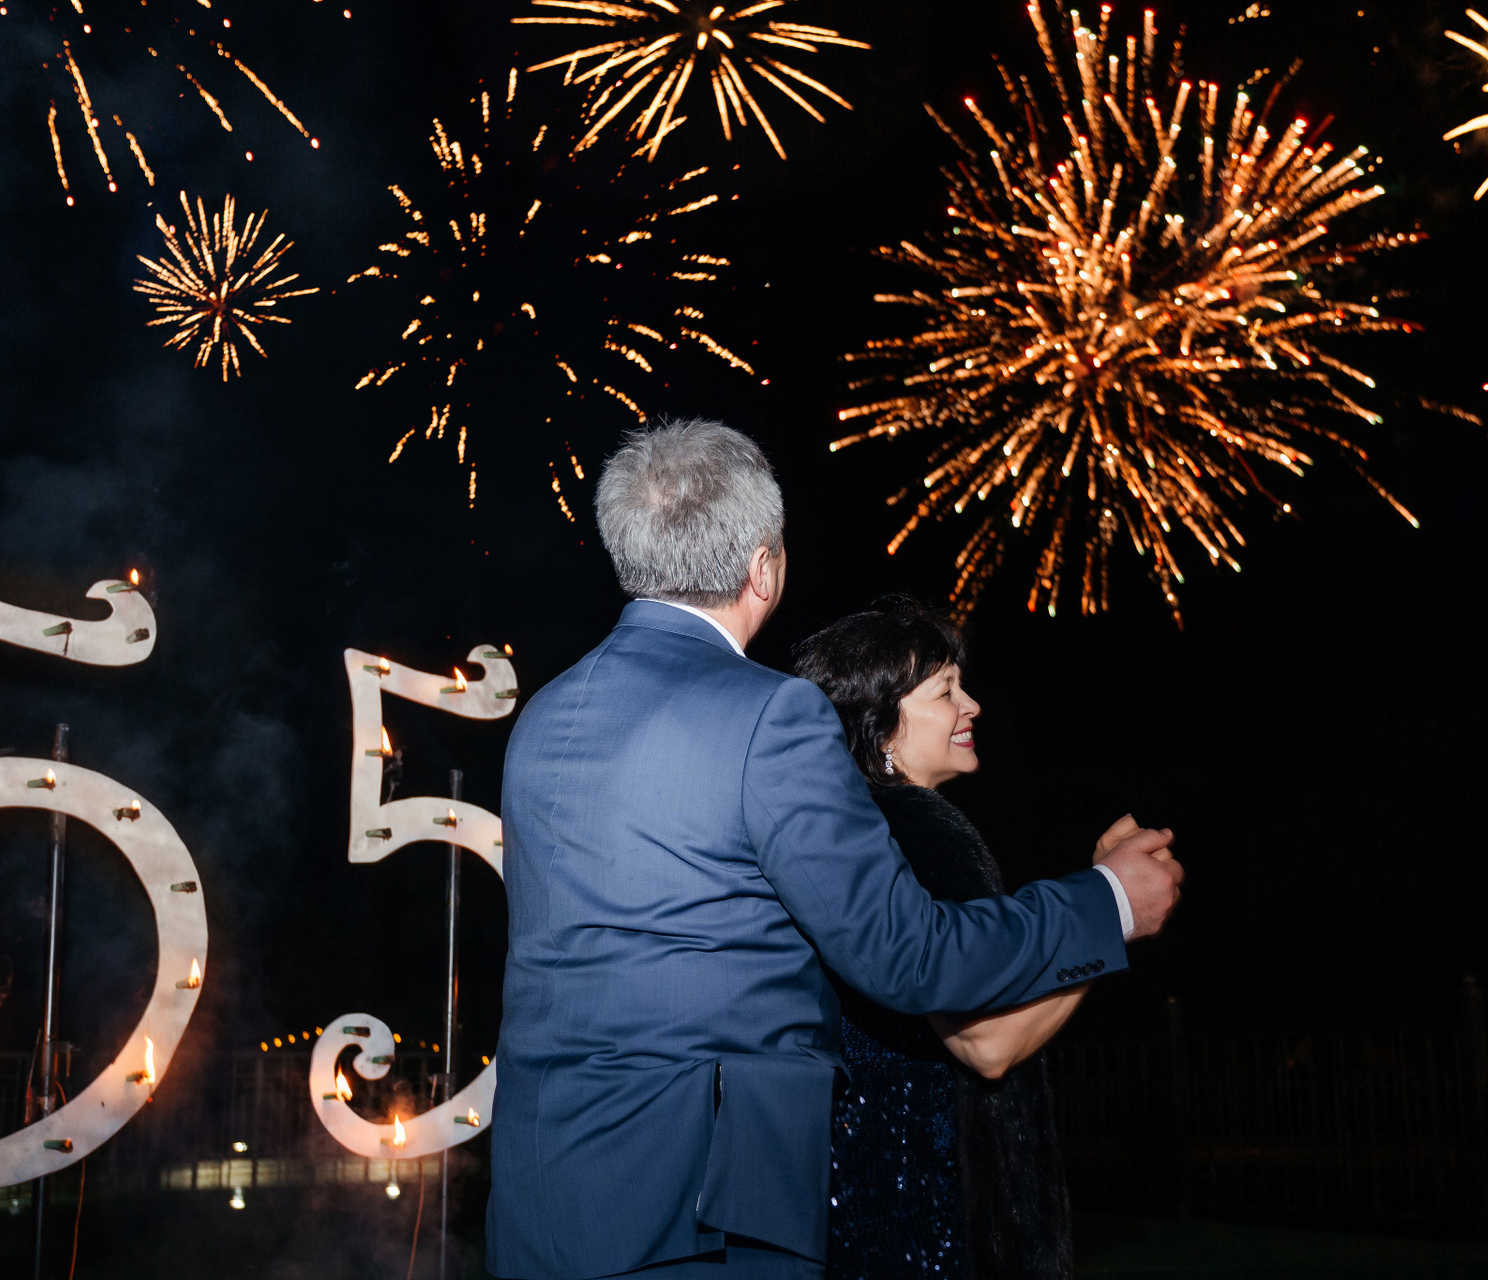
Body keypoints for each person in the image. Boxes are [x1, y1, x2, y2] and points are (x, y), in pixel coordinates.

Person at [486, 420, 1183, 1280]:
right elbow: (909, 955)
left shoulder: (544, 717)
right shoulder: (770, 715)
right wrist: (1106, 901)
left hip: (543, 1200)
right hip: (702, 1212)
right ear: (764, 568)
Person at [795, 596, 1129, 1280]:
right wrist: (1111, 910)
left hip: (867, 1204)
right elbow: (989, 1043)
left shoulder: (853, 835)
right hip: (935, 1217)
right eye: (946, 691)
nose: (971, 705)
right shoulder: (918, 830)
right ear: (882, 727)